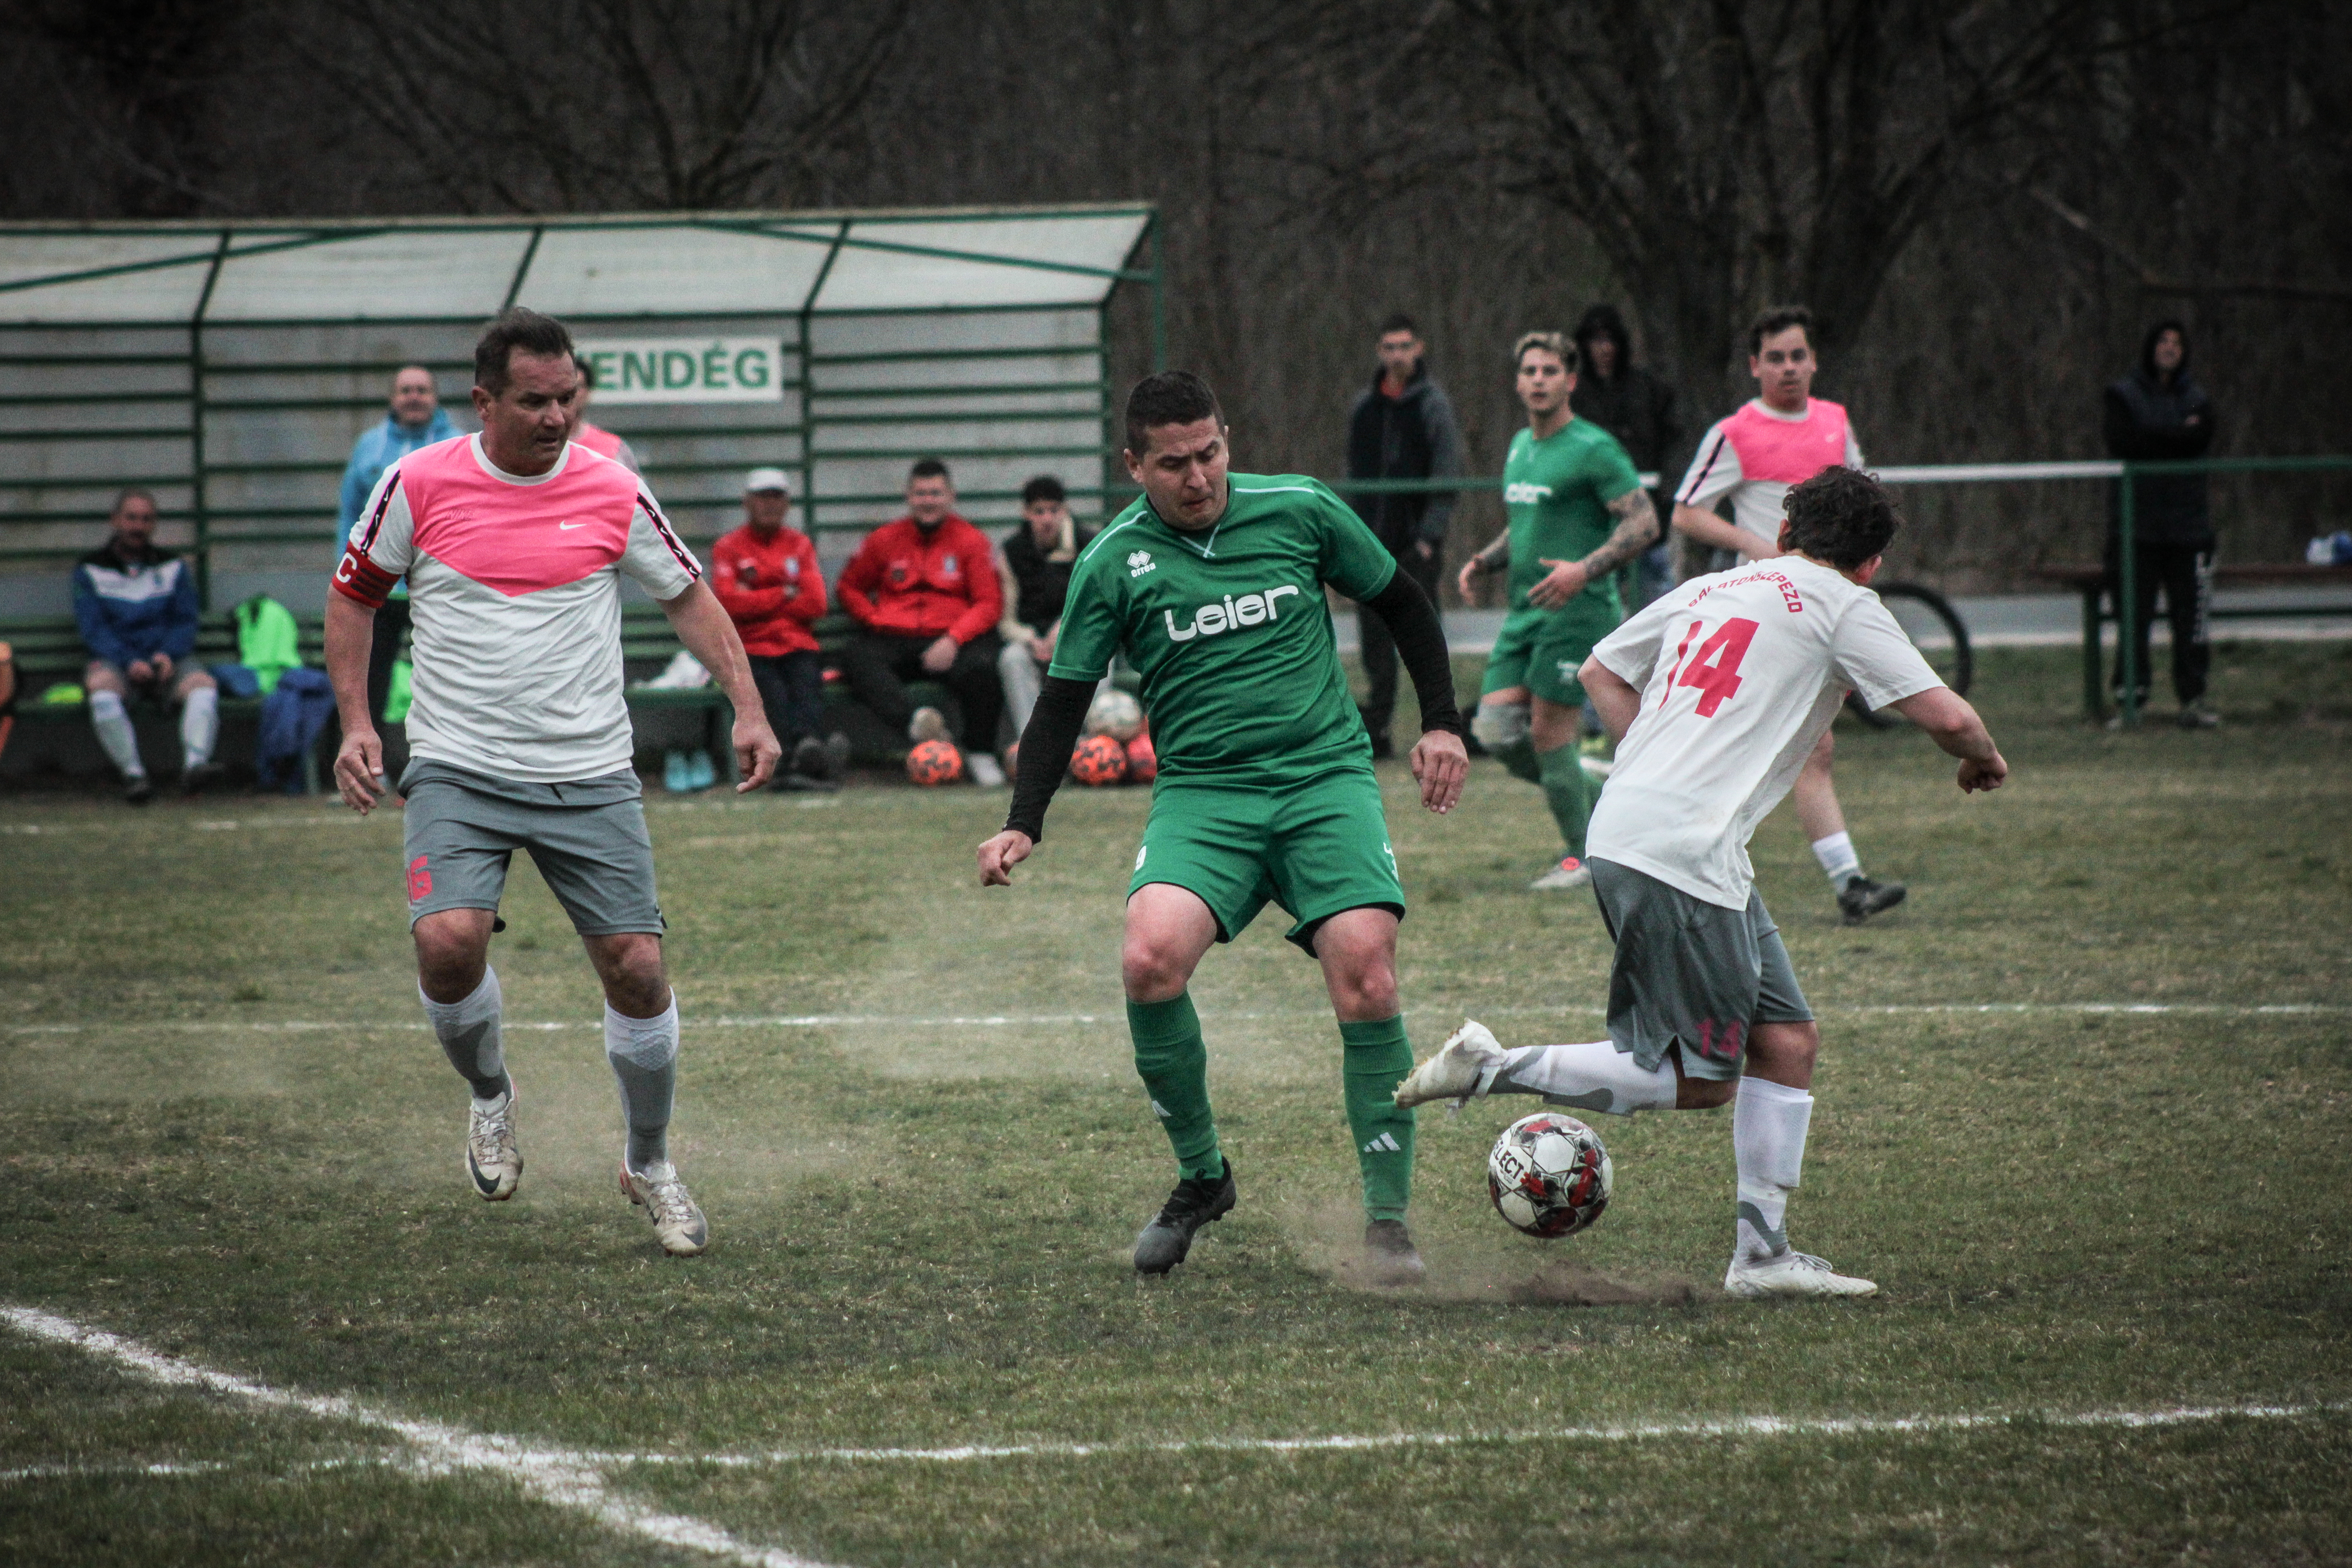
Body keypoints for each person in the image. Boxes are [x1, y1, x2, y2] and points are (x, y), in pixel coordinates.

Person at [1397, 466, 2009, 1297]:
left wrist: (1651, 760)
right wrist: (1982, 757)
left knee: (1786, 1040)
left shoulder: (1714, 587)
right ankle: (1491, 1067)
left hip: (1657, 837)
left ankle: (1761, 1258)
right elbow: (1948, 716)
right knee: (1702, 1078)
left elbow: (1599, 673)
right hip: (1679, 852)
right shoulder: (1844, 604)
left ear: (1785, 532)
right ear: (1869, 564)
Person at [976, 371, 1470, 1284]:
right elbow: (1064, 699)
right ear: (1134, 467)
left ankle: (1389, 1224)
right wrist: (1023, 823)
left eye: (1210, 453)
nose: (1199, 477)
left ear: (1227, 440)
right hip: (1205, 794)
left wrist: (1441, 721)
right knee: (1147, 958)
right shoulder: (1111, 562)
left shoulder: (1301, 510)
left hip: (1325, 778)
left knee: (1366, 967)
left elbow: (1401, 601)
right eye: (1173, 464)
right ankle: (1203, 1179)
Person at [324, 307, 779, 1258]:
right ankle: (492, 1098)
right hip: (457, 766)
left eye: (566, 397)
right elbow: (353, 593)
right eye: (534, 401)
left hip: (589, 772)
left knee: (639, 970)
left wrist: (748, 704)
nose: (556, 417)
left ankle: (648, 1162)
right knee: (447, 947)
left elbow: (688, 593)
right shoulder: (417, 481)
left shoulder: (613, 486)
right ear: (484, 403)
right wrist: (360, 723)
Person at [1671, 306, 1905, 925]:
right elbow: (1687, 511)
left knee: (1808, 746)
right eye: (1775, 358)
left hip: (1827, 606)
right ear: (1754, 367)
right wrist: (1757, 545)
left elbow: (1860, 499)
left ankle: (1842, 881)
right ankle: (1702, 859)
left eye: (1798, 355)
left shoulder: (1834, 423)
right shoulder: (1736, 431)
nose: (1789, 368)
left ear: (1815, 361)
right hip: (1770, 608)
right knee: (1795, 744)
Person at [1455, 333, 1655, 890]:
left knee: (1548, 733)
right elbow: (1525, 523)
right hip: (1525, 614)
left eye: (1551, 371)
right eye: (1530, 371)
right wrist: (1486, 561)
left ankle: (1585, 858)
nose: (1539, 379)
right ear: (1518, 382)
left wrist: (1582, 570)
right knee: (1495, 731)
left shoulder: (1594, 449)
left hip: (1579, 610)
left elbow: (1644, 524)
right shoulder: (1522, 445)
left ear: (1570, 381)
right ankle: (1588, 783)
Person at [837, 459, 1008, 787]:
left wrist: (954, 639)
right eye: (920, 494)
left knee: (985, 666)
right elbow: (849, 587)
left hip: (950, 639)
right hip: (895, 637)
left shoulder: (971, 541)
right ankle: (918, 724)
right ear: (909, 497)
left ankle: (980, 752)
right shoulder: (884, 539)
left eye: (935, 493)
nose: (928, 501)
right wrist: (873, 618)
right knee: (855, 656)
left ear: (950, 496)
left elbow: (989, 603)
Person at [1344, 313, 1463, 758]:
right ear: (1380, 352)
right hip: (1371, 543)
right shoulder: (1365, 407)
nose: (1397, 355)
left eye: (1404, 346)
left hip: (1415, 544)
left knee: (1422, 632)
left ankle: (1440, 721)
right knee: (1374, 641)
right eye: (1389, 347)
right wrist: (1354, 532)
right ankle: (1377, 729)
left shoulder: (1432, 404)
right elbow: (1355, 473)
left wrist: (1429, 537)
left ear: (1419, 349)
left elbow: (1447, 471)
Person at [2102, 321, 2218, 727]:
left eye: (2178, 343)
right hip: (2137, 529)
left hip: (2189, 528)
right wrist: (2175, 436)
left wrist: (2157, 436)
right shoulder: (2123, 395)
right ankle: (2131, 699)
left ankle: (2194, 699)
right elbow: (2126, 443)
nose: (2170, 349)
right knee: (2134, 617)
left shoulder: (2197, 398)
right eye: (2164, 341)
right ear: (2150, 347)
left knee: (2191, 620)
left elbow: (2199, 440)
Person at [73, 489, 221, 802]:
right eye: (131, 518)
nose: (138, 526)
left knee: (203, 686)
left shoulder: (173, 567)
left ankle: (196, 767)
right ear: (115, 521)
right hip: (118, 662)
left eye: (146, 519)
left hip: (167, 660)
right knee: (101, 690)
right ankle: (134, 775)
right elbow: (94, 630)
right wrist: (129, 662)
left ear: (154, 525)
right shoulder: (90, 569)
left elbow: (185, 621)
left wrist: (167, 655)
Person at [340, 366, 460, 740]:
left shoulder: (458, 444)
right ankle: (366, 764)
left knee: (450, 676)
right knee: (369, 677)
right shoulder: (368, 446)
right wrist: (345, 574)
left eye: (422, 390)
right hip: (382, 588)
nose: (414, 397)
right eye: (406, 390)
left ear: (435, 398)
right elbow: (350, 514)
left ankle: (455, 761)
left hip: (439, 585)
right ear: (393, 398)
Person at [710, 467, 845, 789]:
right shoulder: (729, 547)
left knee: (806, 682)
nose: (770, 504)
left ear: (787, 504)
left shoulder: (799, 545)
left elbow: (816, 604)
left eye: (777, 497)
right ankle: (807, 761)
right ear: (747, 502)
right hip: (750, 648)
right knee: (770, 691)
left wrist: (755, 596)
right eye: (762, 497)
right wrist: (784, 593)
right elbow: (729, 604)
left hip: (797, 644)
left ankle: (803, 756)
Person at [1570, 304, 1682, 609]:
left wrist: (1667, 494)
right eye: (1596, 340)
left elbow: (1675, 443)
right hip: (1595, 517)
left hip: (1650, 510)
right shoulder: (1574, 395)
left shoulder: (1649, 389)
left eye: (1610, 340)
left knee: (1658, 603)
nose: (1604, 349)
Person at [993, 474, 1098, 735]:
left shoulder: (1089, 544)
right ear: (1026, 513)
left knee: (1099, 654)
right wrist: (1030, 639)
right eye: (1039, 512)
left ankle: (1088, 743)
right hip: (1033, 640)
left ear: (1065, 511)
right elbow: (1006, 620)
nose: (1047, 519)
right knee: (1011, 658)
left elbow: (1099, 605)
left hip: (1078, 635)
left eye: (1054, 510)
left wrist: (1066, 628)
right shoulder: (1012, 551)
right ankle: (1032, 742)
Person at [568, 354, 642, 473]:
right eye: (566, 388)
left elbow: (635, 489)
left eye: (578, 387)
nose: (571, 394)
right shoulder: (539, 447)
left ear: (589, 392)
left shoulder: (613, 448)